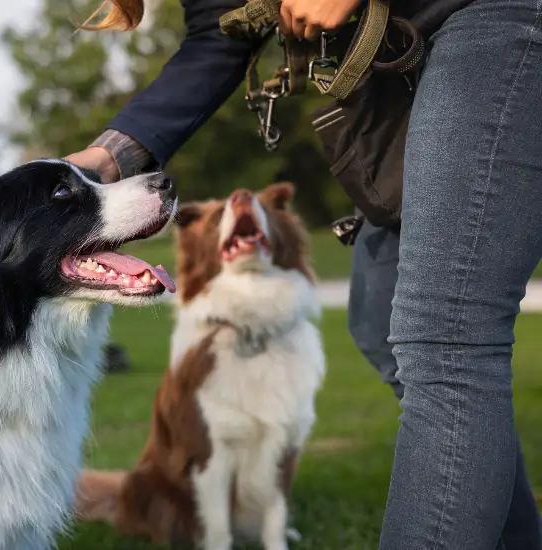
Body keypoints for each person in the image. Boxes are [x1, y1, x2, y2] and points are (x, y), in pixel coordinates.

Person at [66, 0, 542, 548]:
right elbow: (219, 32)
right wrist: (108, 156)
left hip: (495, 18)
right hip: (405, 62)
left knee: (446, 341)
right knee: (377, 315)